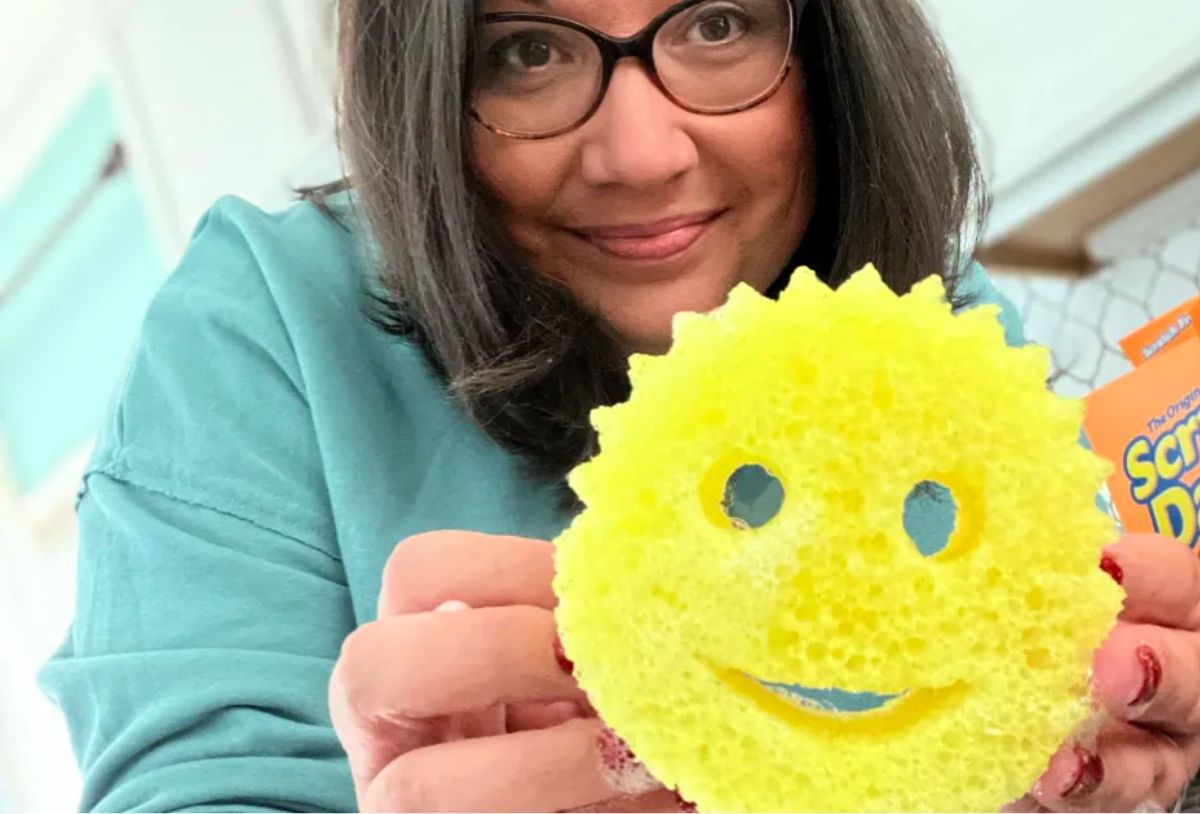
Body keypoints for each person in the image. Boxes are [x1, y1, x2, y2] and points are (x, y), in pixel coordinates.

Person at [39, 0, 1200, 811]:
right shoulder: (262, 323)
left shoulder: (939, 322)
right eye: (526, 52)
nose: (641, 154)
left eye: (716, 23)